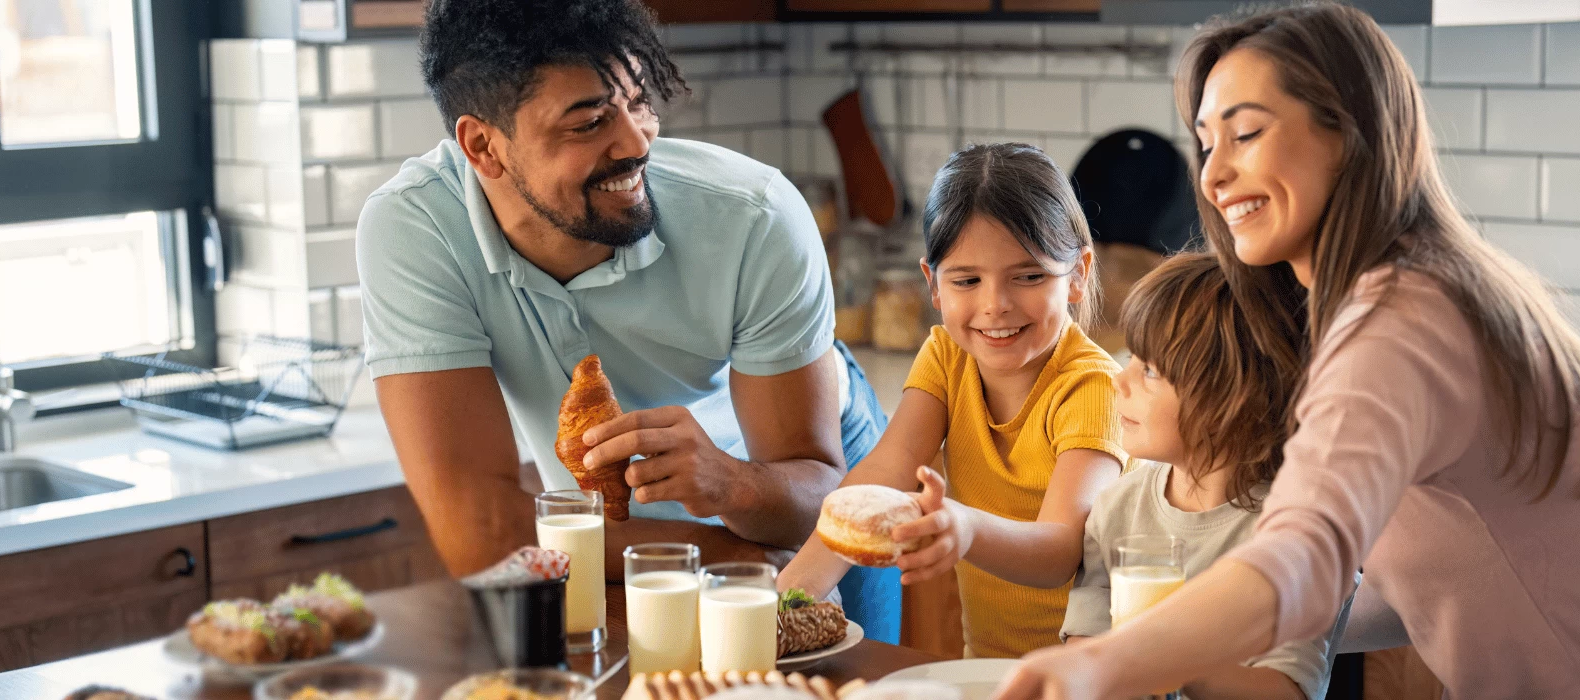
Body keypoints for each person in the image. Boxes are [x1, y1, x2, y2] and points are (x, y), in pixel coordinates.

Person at [994, 4, 1580, 698]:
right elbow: (1451, 576)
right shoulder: (1420, 290)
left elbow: (1305, 563)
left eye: (1246, 133)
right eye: (1205, 142)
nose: (1213, 175)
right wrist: (1210, 635)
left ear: (1349, 134)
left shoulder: (1405, 321)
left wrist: (1110, 659)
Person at [355, 0, 899, 641]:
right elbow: (485, 539)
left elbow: (813, 505)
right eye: (589, 123)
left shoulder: (754, 217)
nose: (638, 143)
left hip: (792, 476)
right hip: (623, 531)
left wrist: (728, 484)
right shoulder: (415, 231)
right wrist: (728, 560)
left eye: (639, 102)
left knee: (851, 681)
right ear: (484, 147)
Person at [776, 142, 1125, 658]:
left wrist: (965, 527)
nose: (995, 305)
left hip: (1092, 675)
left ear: (1077, 274)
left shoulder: (1091, 386)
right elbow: (885, 472)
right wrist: (788, 596)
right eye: (967, 280)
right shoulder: (946, 356)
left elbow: (1058, 549)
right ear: (933, 285)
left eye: (1029, 276)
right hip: (984, 665)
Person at [1064, 252, 1350, 700]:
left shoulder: (1293, 534)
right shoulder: (1117, 507)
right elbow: (1087, 640)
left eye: (1151, 370)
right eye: (1132, 358)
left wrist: (1164, 664)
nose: (1120, 378)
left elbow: (1285, 689)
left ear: (1233, 397)